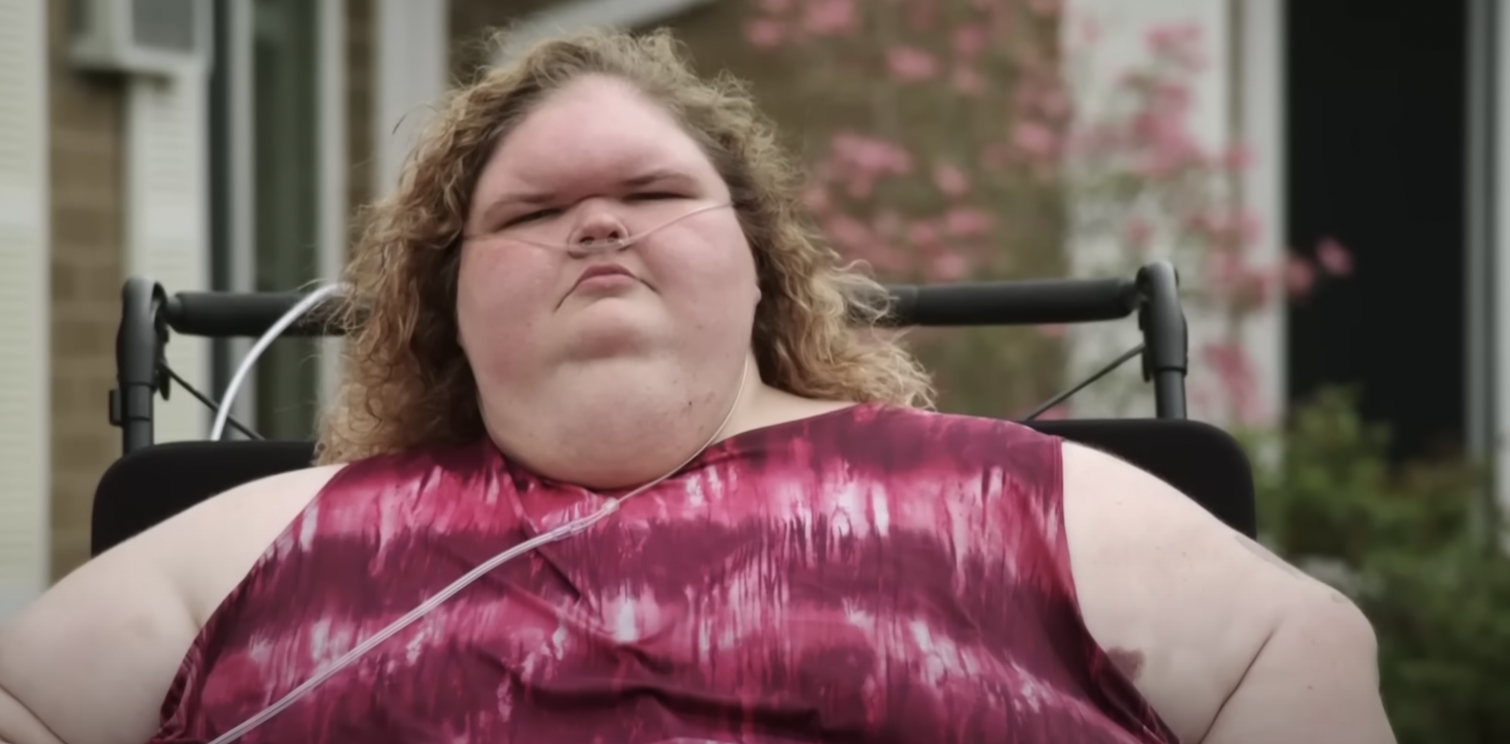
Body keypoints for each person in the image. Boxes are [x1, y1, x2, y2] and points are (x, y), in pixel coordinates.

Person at [0, 27, 1393, 744]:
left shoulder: (1009, 494)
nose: (597, 225)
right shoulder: (277, 532)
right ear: (446, 294)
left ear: (758, 265)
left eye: (653, 192)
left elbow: (1305, 652)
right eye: (536, 210)